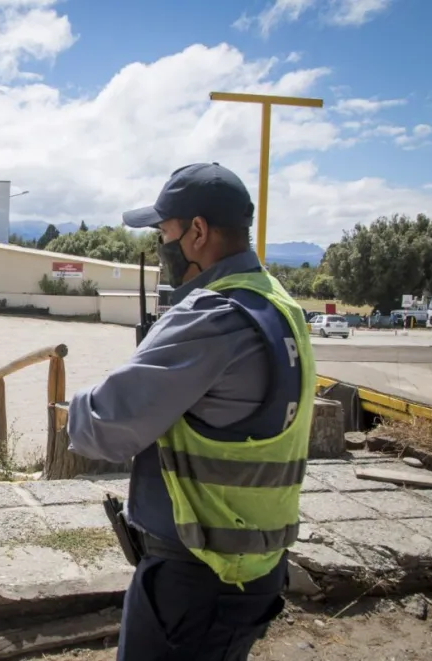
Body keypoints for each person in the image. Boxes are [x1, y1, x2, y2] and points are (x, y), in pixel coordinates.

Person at [66, 163, 316, 661]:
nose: (161, 248)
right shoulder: (279, 303)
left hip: (197, 580)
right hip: (253, 566)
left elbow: (104, 425)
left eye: (164, 233)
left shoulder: (213, 316)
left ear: (197, 232)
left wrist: (75, 407)